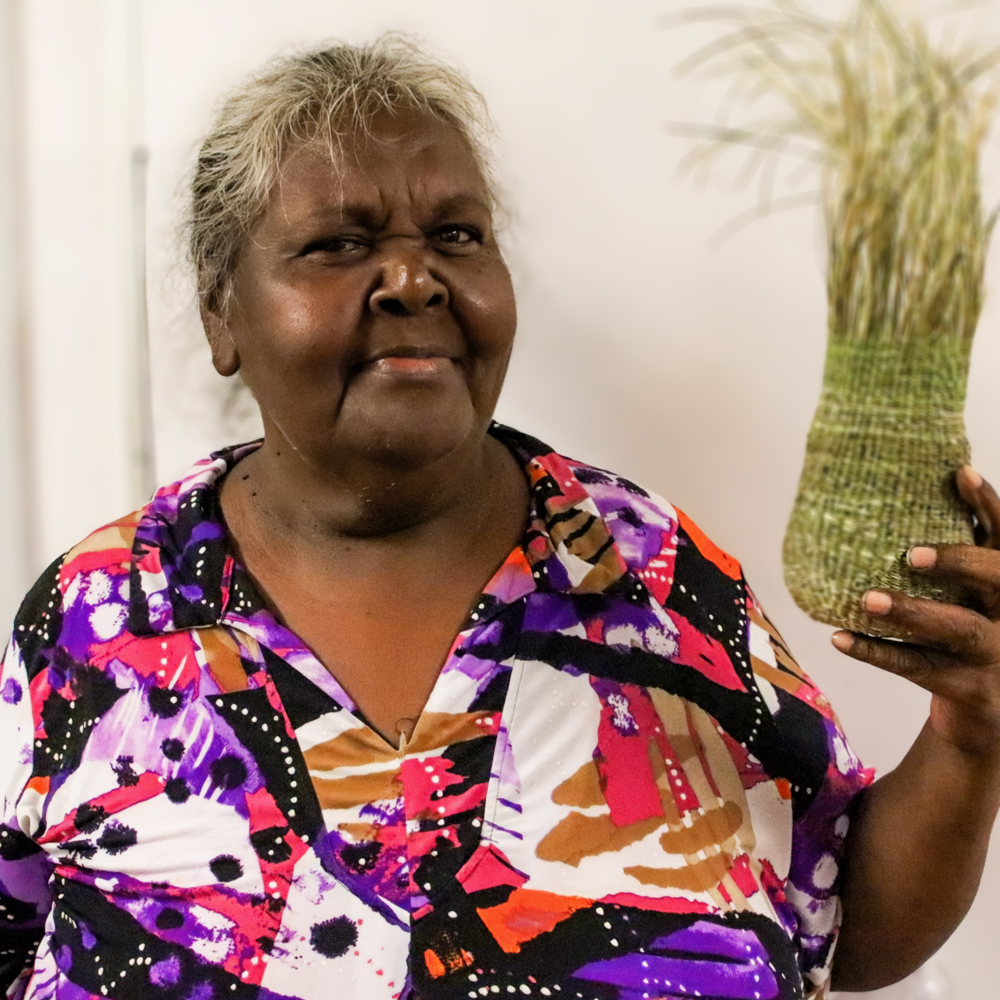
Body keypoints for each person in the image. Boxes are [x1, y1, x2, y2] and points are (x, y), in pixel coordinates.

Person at [1, 36, 999, 1000]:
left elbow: (845, 921)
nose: (413, 278)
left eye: (455, 236)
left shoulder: (649, 573)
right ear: (223, 312)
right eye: (339, 244)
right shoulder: (100, 619)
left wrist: (969, 733)